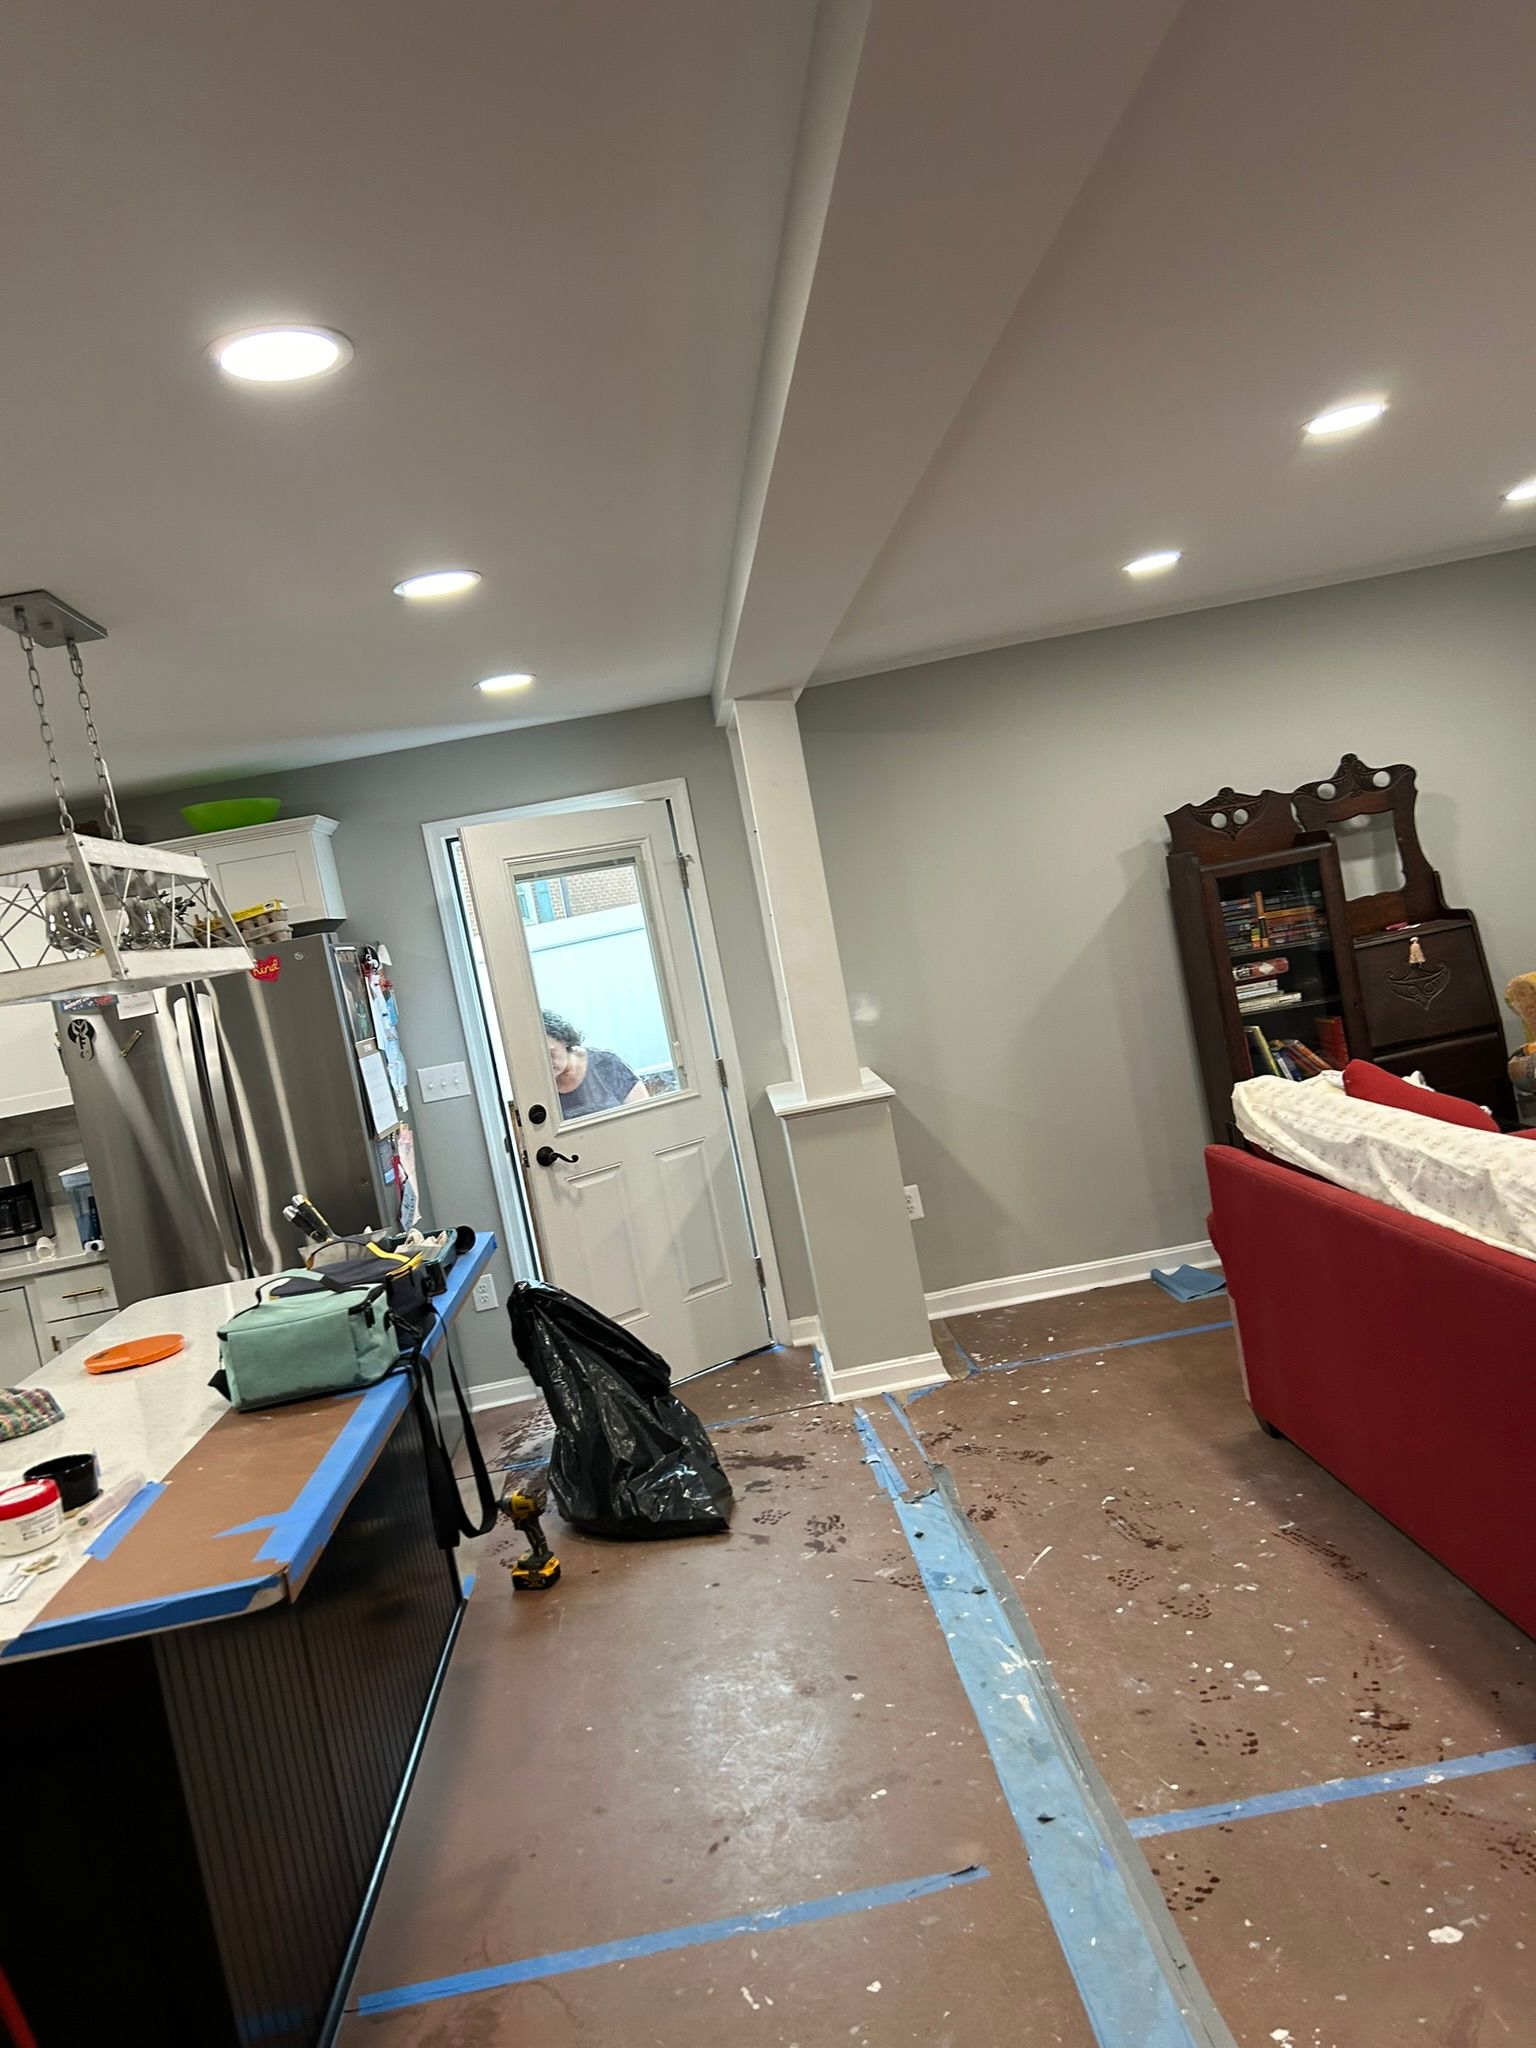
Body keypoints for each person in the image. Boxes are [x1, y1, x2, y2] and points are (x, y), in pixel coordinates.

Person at [542, 1010, 648, 1119]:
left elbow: (643, 1111)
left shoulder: (605, 1063)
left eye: (550, 1053)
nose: (546, 1062)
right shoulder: (539, 1083)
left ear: (563, 1040)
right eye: (539, 1057)